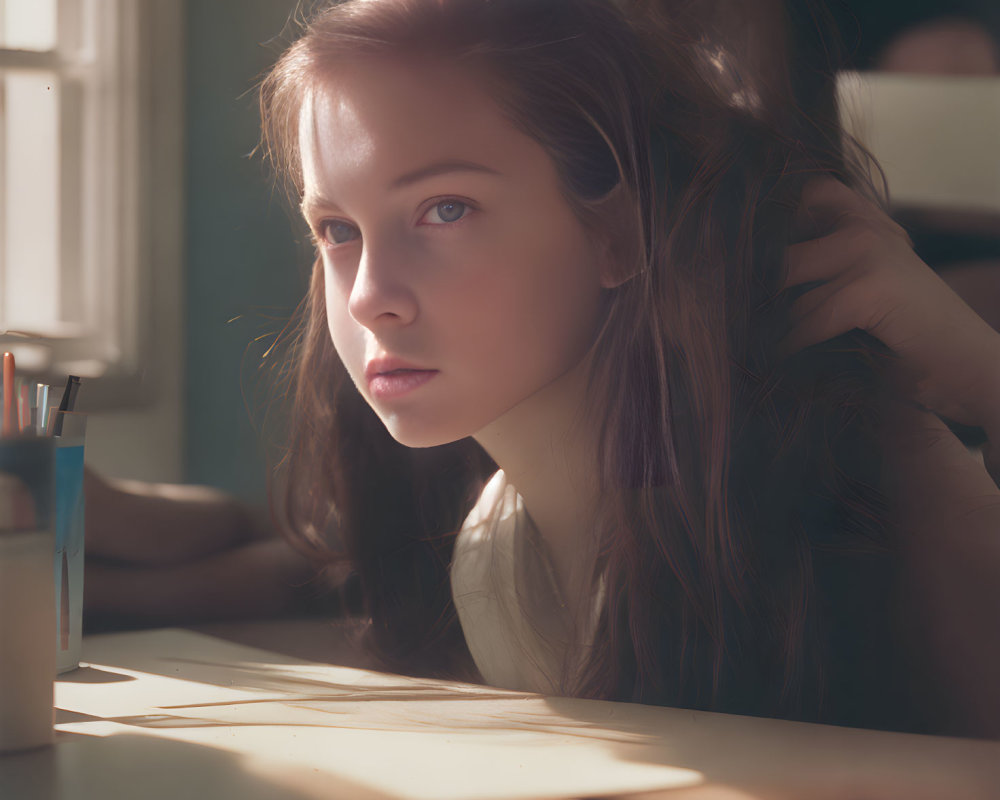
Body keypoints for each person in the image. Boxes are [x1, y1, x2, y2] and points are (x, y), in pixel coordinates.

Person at [254, 0, 1000, 738]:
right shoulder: (497, 562)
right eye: (337, 229)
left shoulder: (868, 486)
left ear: (619, 230)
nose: (368, 299)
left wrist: (986, 380)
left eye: (445, 209)